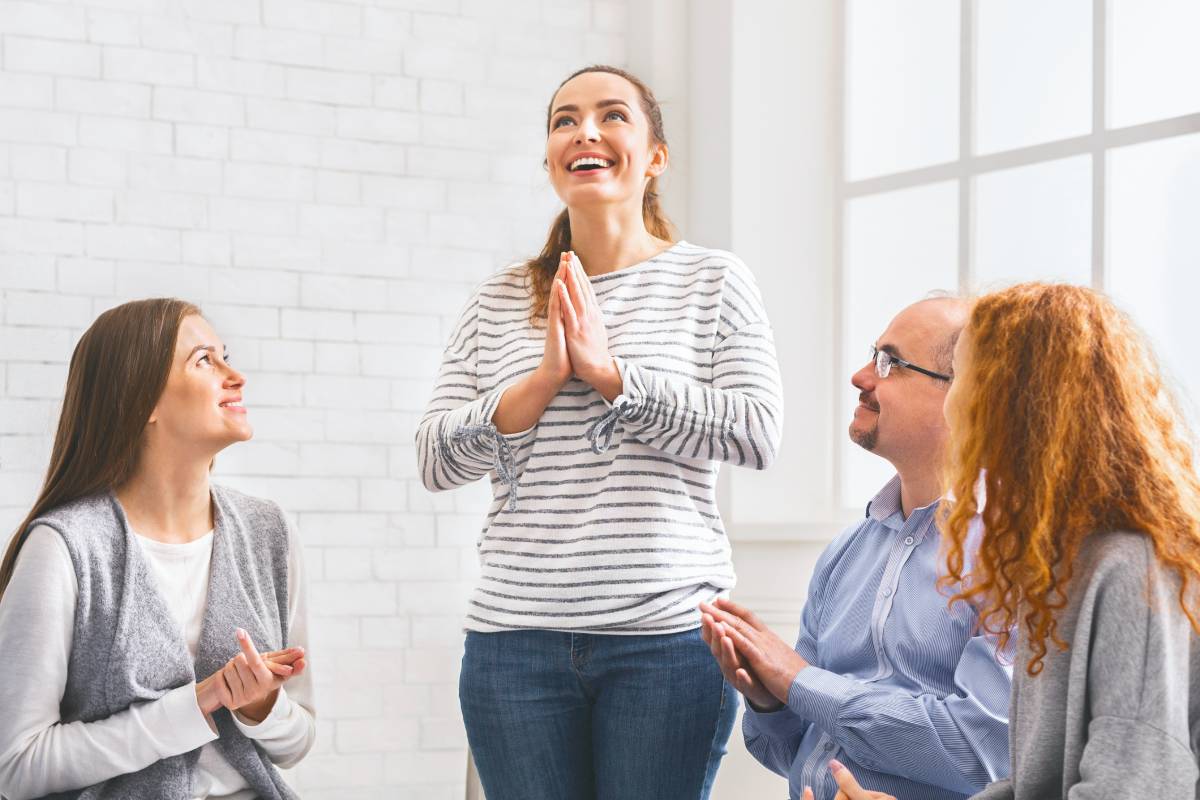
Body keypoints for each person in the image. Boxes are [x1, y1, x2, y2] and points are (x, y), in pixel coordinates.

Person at [415, 64, 784, 799]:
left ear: (655, 156)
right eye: (564, 120)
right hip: (512, 646)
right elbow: (434, 458)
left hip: (667, 645)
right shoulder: (499, 299)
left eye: (612, 116)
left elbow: (756, 432)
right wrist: (538, 386)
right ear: (551, 158)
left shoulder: (712, 281)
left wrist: (616, 378)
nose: (585, 131)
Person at [812, 282, 1200, 799]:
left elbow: (1134, 788)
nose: (953, 411)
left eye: (966, 385)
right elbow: (1035, 784)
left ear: (1021, 407)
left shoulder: (1133, 568)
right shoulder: (1055, 560)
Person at [0, 298, 315, 800]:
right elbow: (17, 767)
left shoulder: (268, 531)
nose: (236, 376)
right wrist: (192, 707)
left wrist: (260, 708)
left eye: (225, 355)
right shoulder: (62, 549)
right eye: (205, 360)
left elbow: (297, 742)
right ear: (140, 401)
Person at [700, 297, 1011, 800]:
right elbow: (796, 751)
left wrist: (799, 681)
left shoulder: (1013, 556)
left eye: (890, 362)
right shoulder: (847, 553)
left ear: (964, 396)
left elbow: (981, 751)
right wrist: (770, 700)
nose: (861, 376)